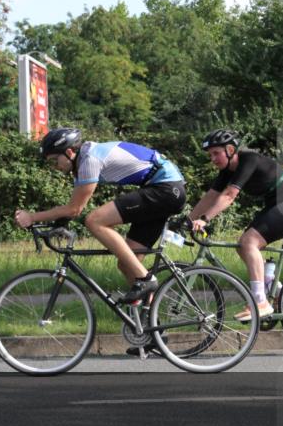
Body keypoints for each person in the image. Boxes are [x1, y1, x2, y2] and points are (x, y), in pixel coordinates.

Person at [15, 128, 187, 303]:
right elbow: (71, 209)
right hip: (164, 191)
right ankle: (148, 316)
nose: (54, 167)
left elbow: (74, 209)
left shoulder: (90, 159)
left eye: (54, 160)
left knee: (95, 220)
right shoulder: (82, 162)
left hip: (166, 189)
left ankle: (146, 279)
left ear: (69, 152)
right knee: (127, 264)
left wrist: (32, 217)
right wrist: (57, 223)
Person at [187, 129, 283, 321]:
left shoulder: (249, 159)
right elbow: (210, 197)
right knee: (243, 246)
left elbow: (229, 196)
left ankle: (260, 302)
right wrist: (188, 220)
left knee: (249, 242)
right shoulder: (226, 171)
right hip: (279, 203)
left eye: (216, 153)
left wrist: (204, 219)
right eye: (210, 155)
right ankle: (280, 292)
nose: (212, 159)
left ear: (230, 150)